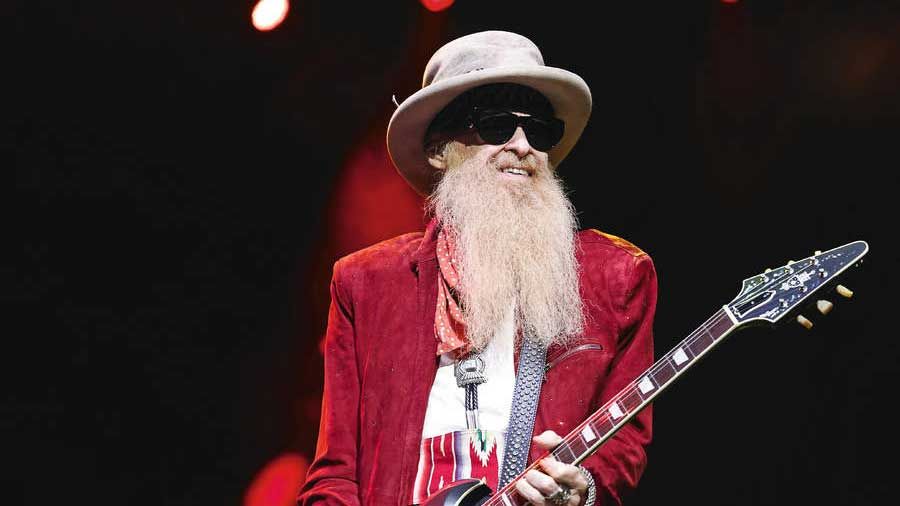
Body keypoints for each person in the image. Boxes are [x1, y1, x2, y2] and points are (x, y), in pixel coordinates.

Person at [297, 30, 657, 506]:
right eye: (496, 125)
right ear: (439, 150)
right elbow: (336, 475)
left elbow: (624, 445)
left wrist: (585, 487)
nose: (523, 145)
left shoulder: (615, 276)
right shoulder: (364, 283)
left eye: (541, 130)